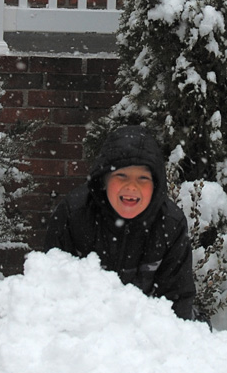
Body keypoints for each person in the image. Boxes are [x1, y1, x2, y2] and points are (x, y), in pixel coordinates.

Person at [44, 125, 197, 320]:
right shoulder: (74, 215)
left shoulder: (169, 224)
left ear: (156, 185)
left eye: (143, 178)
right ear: (104, 179)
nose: (132, 186)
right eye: (121, 176)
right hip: (84, 327)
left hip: (146, 331)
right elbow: (51, 286)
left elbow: (178, 297)